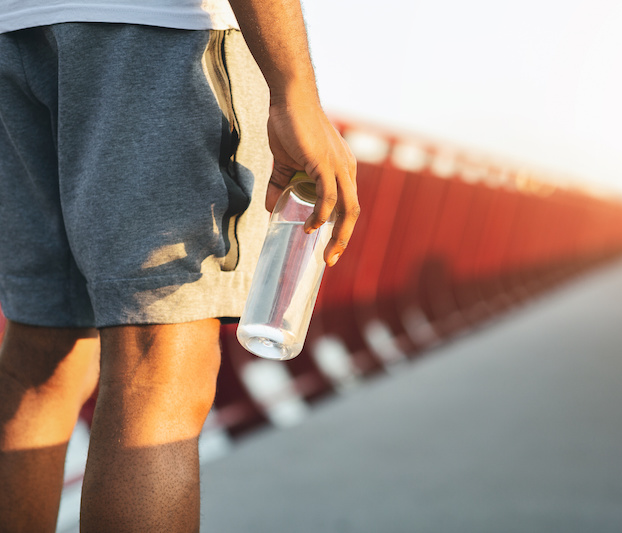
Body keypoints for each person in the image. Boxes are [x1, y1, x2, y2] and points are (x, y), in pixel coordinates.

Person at [0, 0, 359, 530]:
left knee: (41, 355)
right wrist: (293, 90)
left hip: (14, 31)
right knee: (157, 364)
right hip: (159, 31)